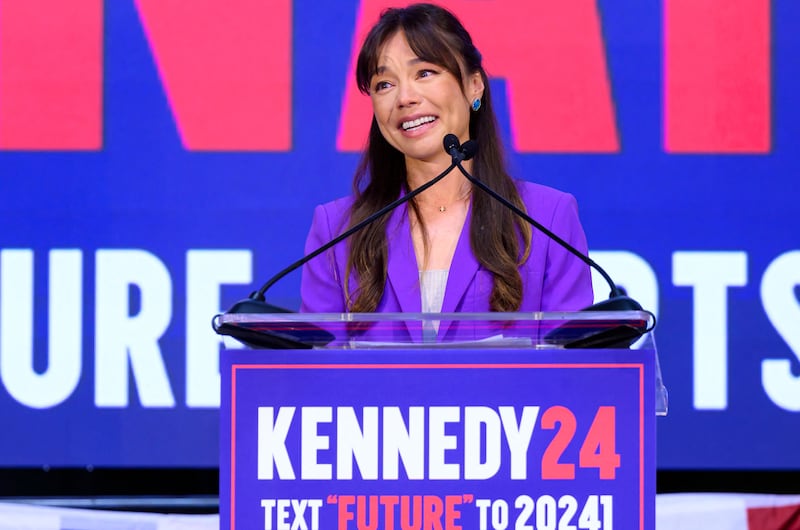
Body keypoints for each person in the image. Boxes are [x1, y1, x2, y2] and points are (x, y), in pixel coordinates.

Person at [300, 3, 593, 330]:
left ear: (474, 86)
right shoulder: (337, 232)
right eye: (385, 84)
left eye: (424, 73)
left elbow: (574, 371)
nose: (404, 98)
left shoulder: (546, 220)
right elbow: (316, 372)